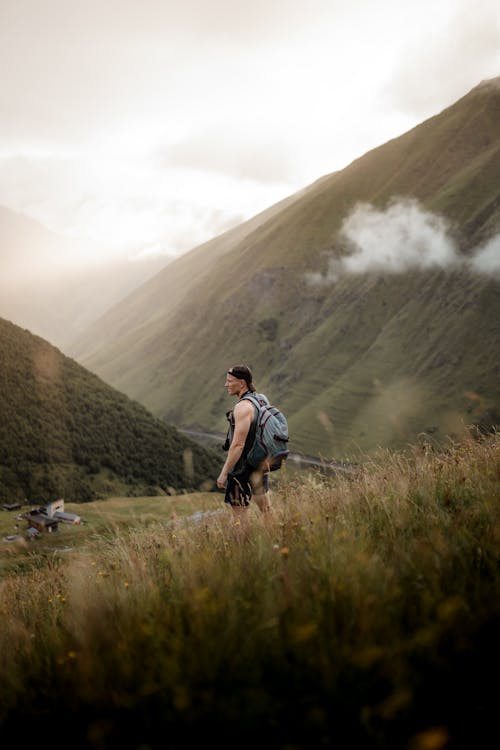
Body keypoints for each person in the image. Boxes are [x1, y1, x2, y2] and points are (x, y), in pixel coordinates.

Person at [216, 364, 271, 516]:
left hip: (242, 468)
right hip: (259, 463)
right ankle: (279, 536)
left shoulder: (242, 408)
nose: (226, 384)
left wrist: (224, 472)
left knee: (239, 517)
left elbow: (238, 445)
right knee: (266, 510)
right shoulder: (261, 400)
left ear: (242, 383)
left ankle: (240, 541)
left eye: (230, 381)